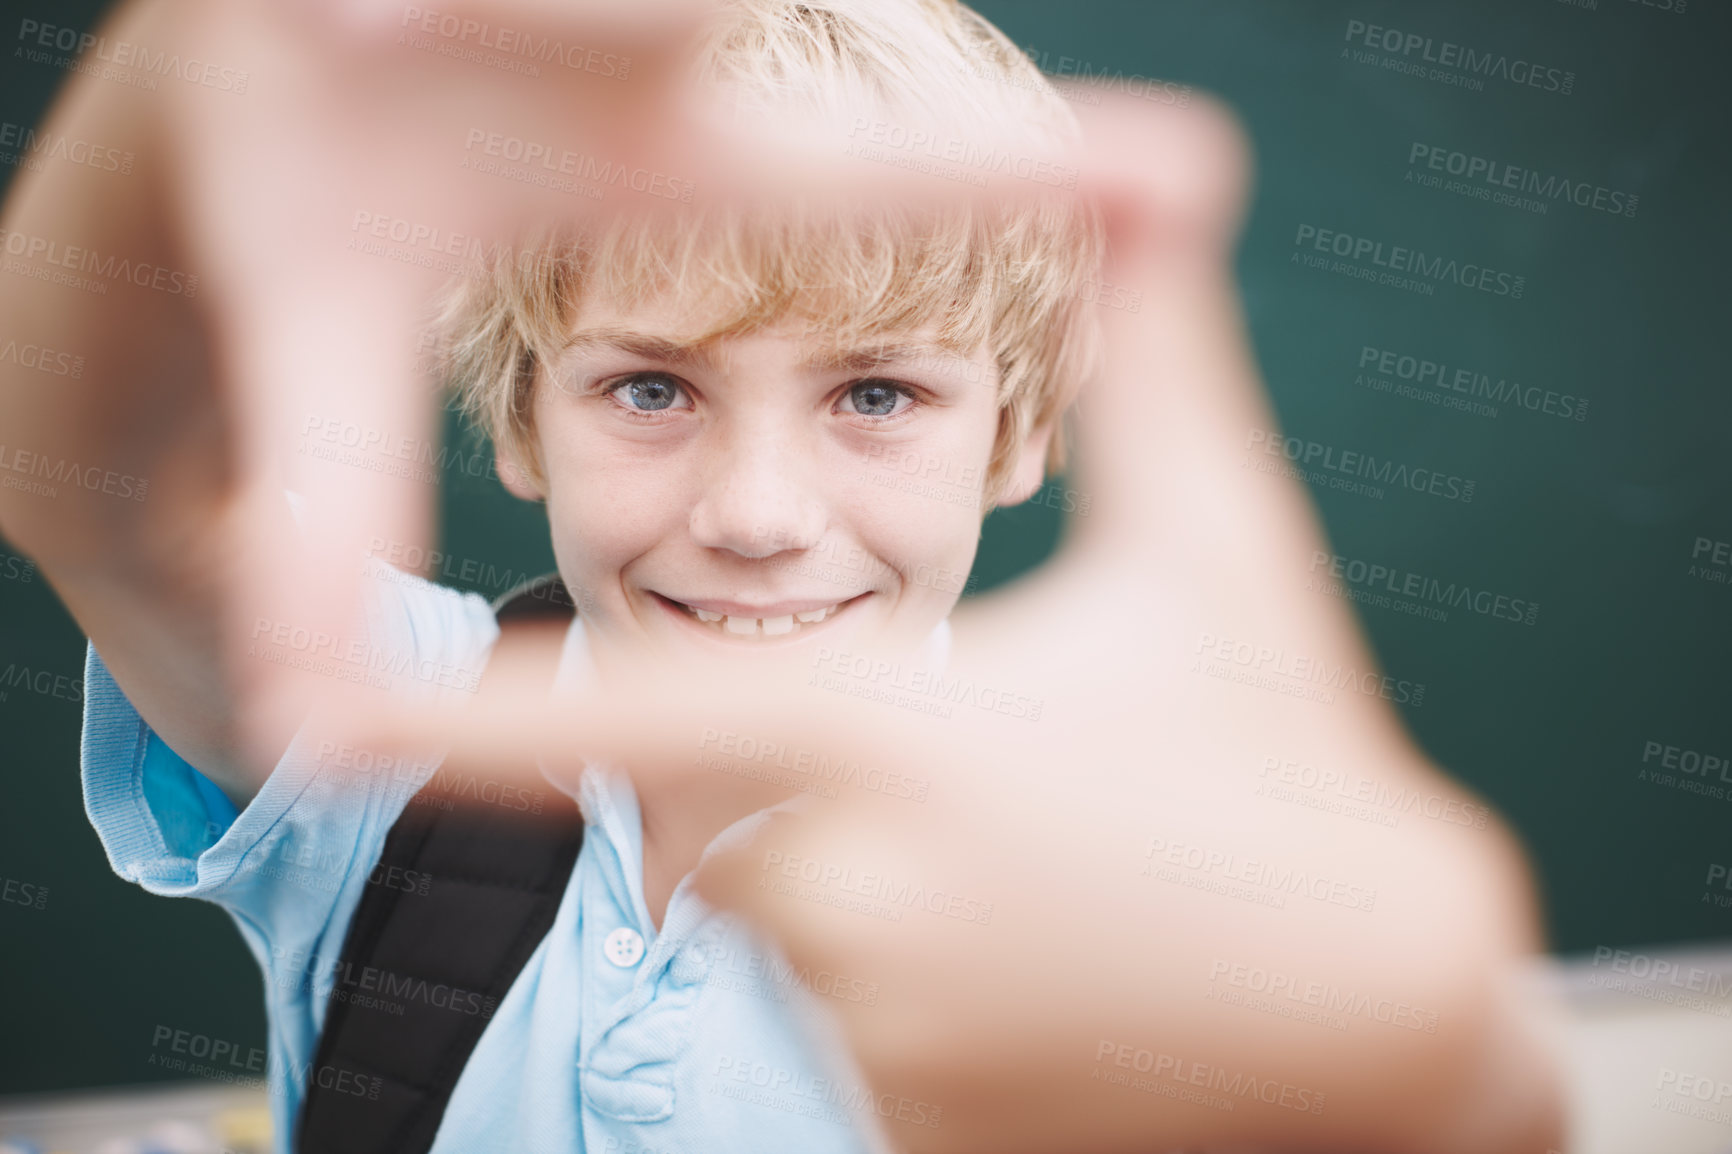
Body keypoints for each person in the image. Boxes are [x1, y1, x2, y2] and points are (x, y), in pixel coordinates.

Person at [0, 1, 1566, 1152]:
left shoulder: (1108, 895)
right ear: (521, 420)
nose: (755, 513)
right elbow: (87, 480)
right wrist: (190, 60)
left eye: (876, 395)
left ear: (1019, 433)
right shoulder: (394, 734)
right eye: (651, 389)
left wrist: (1449, 1095)